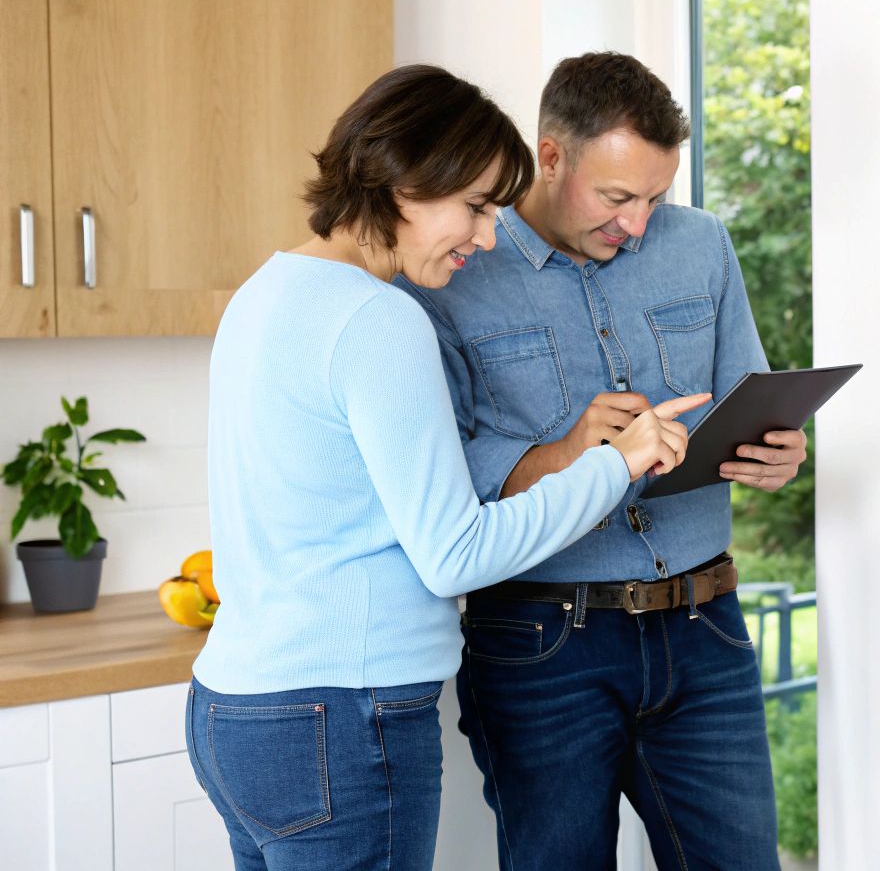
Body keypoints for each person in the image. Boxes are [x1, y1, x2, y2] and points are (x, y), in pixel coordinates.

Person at [186, 63, 708, 871]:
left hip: (234, 713)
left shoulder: (263, 293)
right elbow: (455, 553)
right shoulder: (378, 319)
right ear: (402, 184)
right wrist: (616, 462)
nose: (488, 237)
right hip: (342, 715)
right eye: (474, 207)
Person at [401, 52, 806, 870]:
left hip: (706, 627)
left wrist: (780, 452)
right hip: (542, 641)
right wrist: (568, 453)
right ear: (551, 155)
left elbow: (745, 398)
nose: (640, 224)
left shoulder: (703, 246)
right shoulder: (450, 272)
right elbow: (438, 469)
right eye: (617, 197)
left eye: (656, 197)